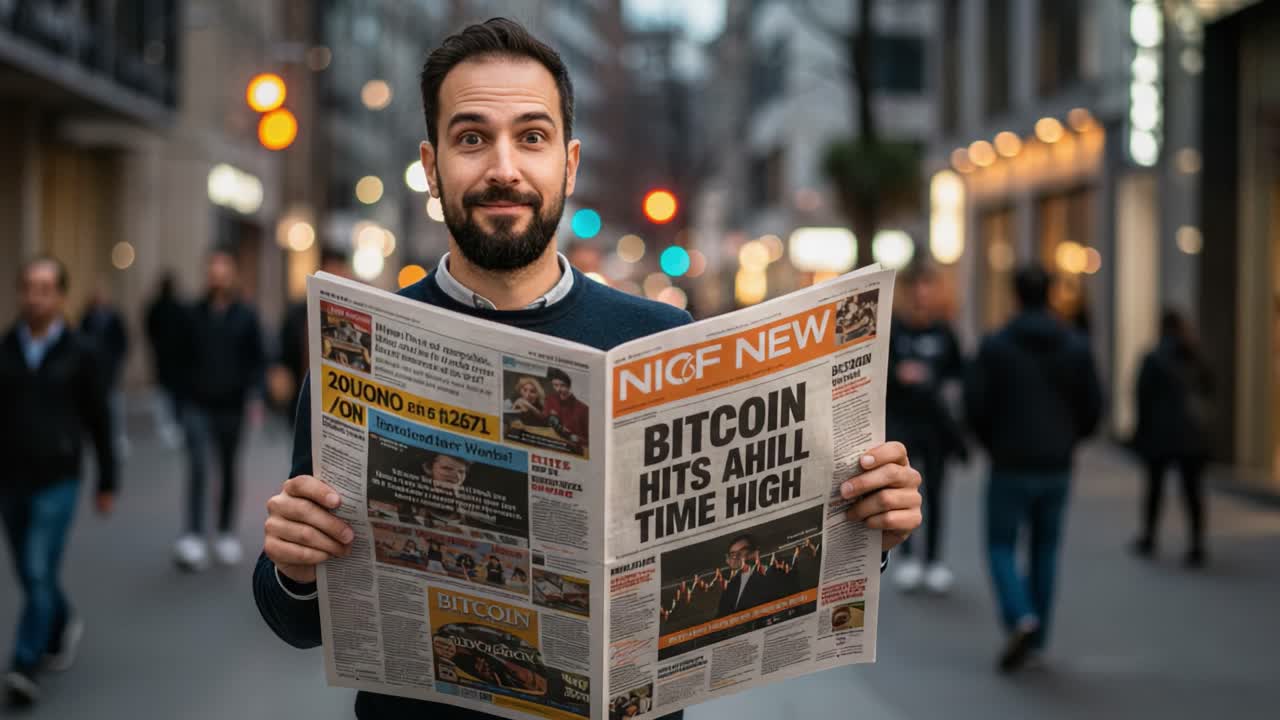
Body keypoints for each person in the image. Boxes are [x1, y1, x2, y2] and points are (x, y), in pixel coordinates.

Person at [253, 18, 921, 720]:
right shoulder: (357, 352)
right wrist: (294, 569)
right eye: (471, 137)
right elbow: (299, 621)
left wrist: (860, 528)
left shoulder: (665, 338)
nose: (503, 168)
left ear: (569, 163)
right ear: (431, 163)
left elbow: (743, 585)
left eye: (531, 137)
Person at [964, 265, 1102, 674]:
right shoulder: (1075, 346)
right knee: (1045, 548)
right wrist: (1068, 440)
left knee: (1001, 545)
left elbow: (975, 405)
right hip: (1056, 465)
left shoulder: (995, 346)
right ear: (1050, 294)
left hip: (1009, 463)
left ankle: (1020, 616)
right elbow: (1093, 407)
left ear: (1016, 295)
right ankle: (1037, 633)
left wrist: (993, 443)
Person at [1, 257, 118, 708]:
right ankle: (61, 619)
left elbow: (100, 421)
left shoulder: (80, 352)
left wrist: (107, 480)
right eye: (29, 287)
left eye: (46, 288)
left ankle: (24, 663)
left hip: (58, 479)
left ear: (61, 296)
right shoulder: (6, 349)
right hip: (11, 480)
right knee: (32, 572)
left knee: (35, 567)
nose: (36, 296)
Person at [173, 249, 265, 571]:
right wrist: (179, 399)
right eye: (213, 269)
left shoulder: (246, 315)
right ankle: (194, 534)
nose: (217, 275)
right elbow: (177, 357)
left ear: (233, 274)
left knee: (227, 467)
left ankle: (226, 532)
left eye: (223, 269)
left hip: (232, 406)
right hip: (197, 404)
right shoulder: (192, 313)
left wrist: (256, 394)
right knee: (198, 467)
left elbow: (258, 359)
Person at [886, 262, 966, 594]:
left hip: (936, 426)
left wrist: (939, 383)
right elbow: (881, 372)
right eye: (916, 286)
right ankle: (907, 557)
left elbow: (959, 373)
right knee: (903, 491)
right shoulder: (895, 329)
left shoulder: (945, 331)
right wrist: (898, 374)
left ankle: (934, 560)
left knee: (936, 492)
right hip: (902, 422)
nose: (922, 293)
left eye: (928, 286)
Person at [1132, 309, 1213, 567]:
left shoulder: (1153, 358)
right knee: (1192, 490)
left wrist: (1141, 433)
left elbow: (1142, 398)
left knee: (1155, 487)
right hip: (1192, 435)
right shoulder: (1196, 356)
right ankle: (1197, 543)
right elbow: (1211, 391)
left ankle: (1149, 537)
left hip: (1161, 433)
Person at [276, 248, 350, 426]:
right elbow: (284, 353)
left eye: (339, 272)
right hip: (301, 399)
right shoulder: (298, 313)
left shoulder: (351, 315)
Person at [79, 283, 130, 458]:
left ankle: (117, 437)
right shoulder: (87, 317)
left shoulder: (113, 317)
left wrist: (117, 359)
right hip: (93, 370)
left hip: (110, 367)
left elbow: (122, 340)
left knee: (114, 403)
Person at [145, 272, 188, 447]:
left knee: (168, 393)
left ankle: (171, 424)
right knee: (167, 393)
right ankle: (171, 424)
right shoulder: (169, 308)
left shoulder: (164, 308)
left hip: (170, 359)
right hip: (170, 359)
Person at [715, 535, 788, 619]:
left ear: (755, 553)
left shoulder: (772, 573)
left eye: (742, 551)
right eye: (733, 554)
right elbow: (722, 614)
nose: (737, 557)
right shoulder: (731, 585)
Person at [544, 368, 587, 453]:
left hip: (574, 450)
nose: (558, 389)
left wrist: (577, 439)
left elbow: (590, 439)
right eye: (555, 385)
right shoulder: (549, 400)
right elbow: (544, 420)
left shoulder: (583, 409)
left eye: (562, 385)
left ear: (569, 385)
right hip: (551, 446)